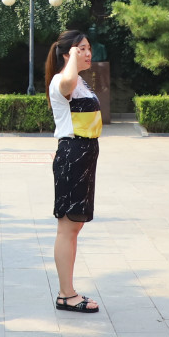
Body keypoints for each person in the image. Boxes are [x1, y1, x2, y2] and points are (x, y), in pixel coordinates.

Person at [47, 30, 101, 313]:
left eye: (88, 47)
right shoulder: (62, 80)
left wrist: (74, 58)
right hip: (73, 156)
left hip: (84, 157)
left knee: (74, 226)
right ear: (67, 53)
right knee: (68, 226)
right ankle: (66, 295)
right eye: (81, 48)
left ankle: (67, 292)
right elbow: (67, 82)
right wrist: (71, 59)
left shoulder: (80, 81)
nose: (87, 53)